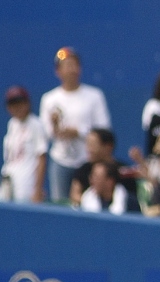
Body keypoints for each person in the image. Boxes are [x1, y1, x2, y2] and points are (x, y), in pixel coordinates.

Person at [38, 47, 111, 203]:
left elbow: (104, 128)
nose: (71, 69)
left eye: (74, 64)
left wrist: (79, 132)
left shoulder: (94, 96)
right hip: (60, 162)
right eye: (66, 65)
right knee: (61, 205)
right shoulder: (49, 99)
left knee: (89, 203)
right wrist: (55, 127)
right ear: (58, 71)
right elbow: (46, 133)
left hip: (87, 161)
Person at [68, 128, 138, 207]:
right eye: (88, 144)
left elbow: (132, 197)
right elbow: (75, 194)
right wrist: (92, 203)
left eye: (93, 145)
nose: (89, 149)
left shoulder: (124, 171)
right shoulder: (83, 169)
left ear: (108, 147)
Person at [1, 86, 47, 204]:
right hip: (9, 177)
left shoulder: (36, 125)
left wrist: (37, 189)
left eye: (20, 103)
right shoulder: (12, 124)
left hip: (27, 181)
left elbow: (41, 158)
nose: (17, 108)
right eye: (13, 104)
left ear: (27, 104)